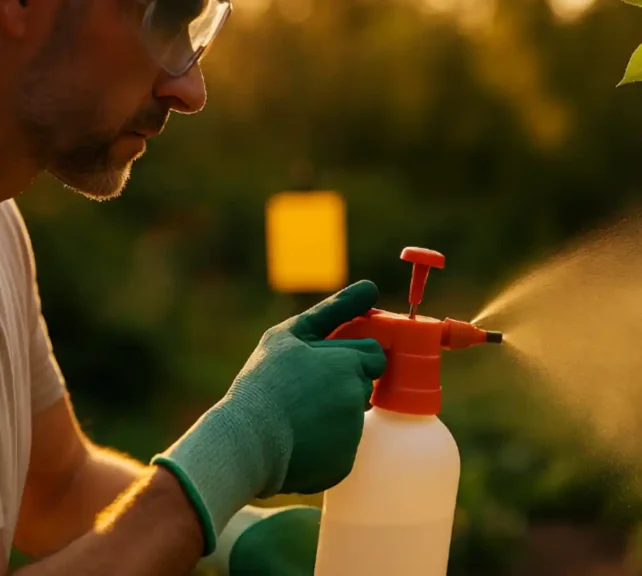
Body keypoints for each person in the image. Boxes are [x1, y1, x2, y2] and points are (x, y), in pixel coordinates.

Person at [0, 1, 385, 574]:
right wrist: (236, 452)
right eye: (164, 15)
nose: (191, 90)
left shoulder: (5, 230)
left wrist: (238, 537)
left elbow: (56, 489)